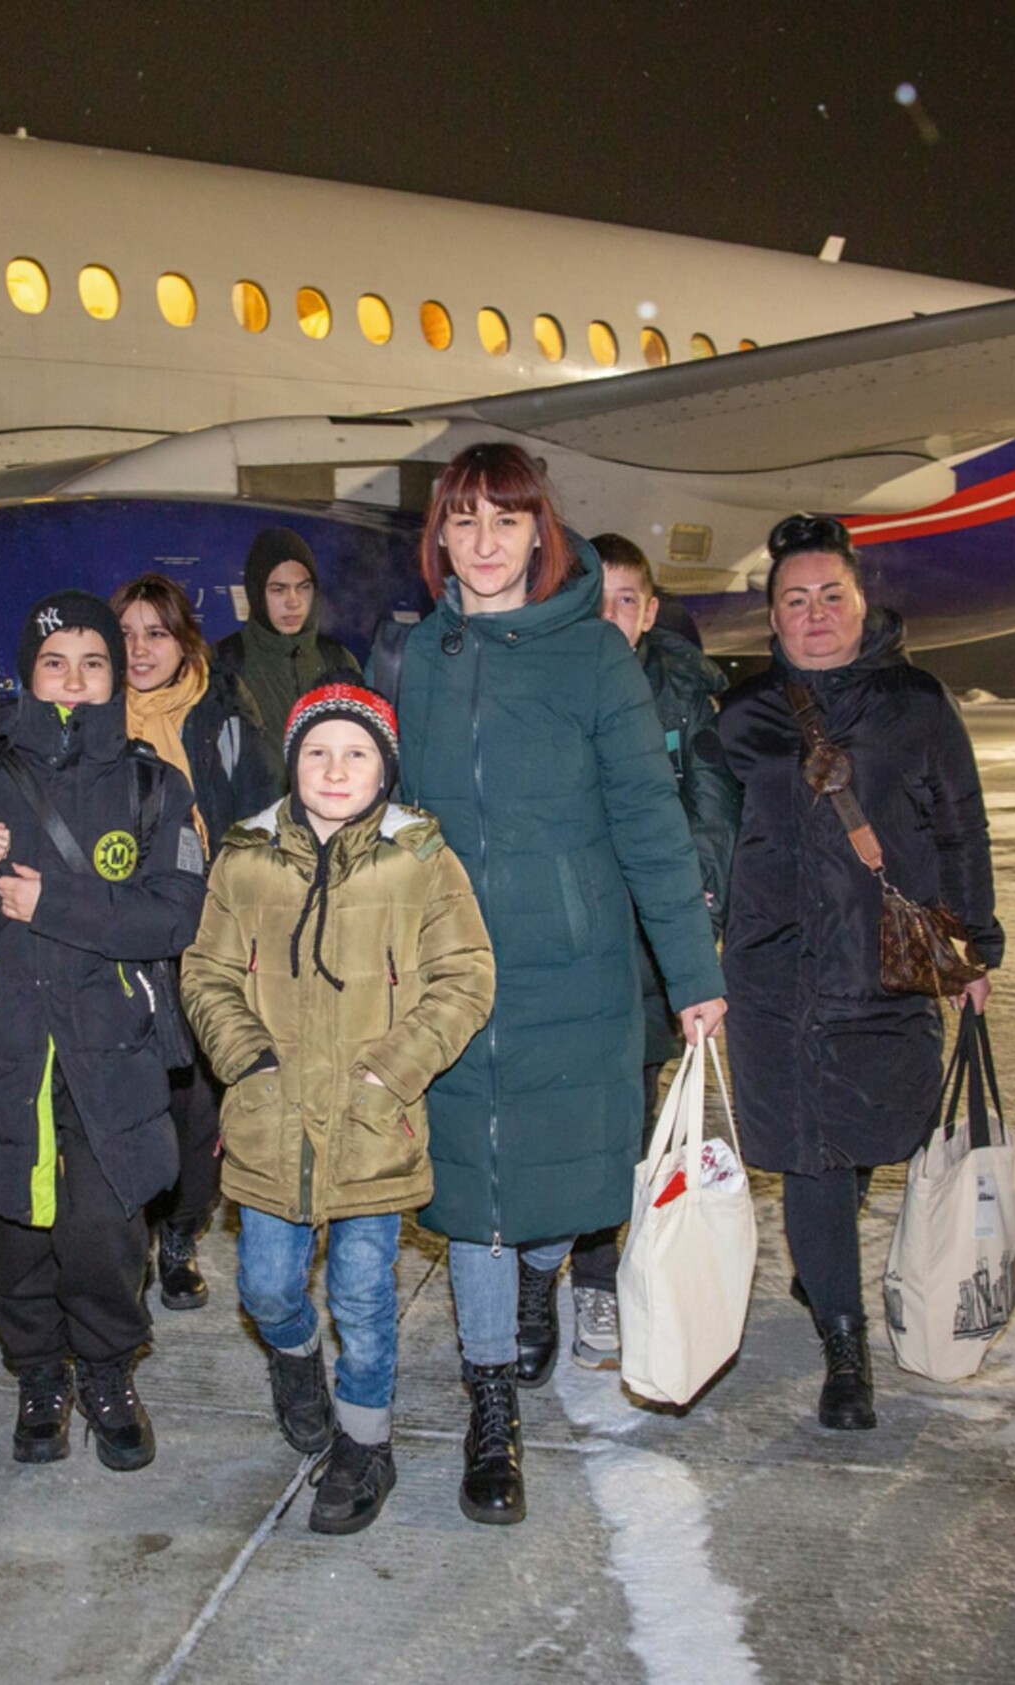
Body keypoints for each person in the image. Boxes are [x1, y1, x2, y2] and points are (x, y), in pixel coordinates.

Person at [388, 443, 726, 1524]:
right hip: (451, 972)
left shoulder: (594, 658)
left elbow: (650, 822)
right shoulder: (422, 655)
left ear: (542, 532)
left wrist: (693, 974)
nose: (484, 542)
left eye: (506, 519)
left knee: (546, 1199)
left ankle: (544, 1274)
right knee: (477, 1198)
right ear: (439, 536)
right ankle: (492, 1403)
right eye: (464, 520)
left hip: (570, 971)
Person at [0, 590, 206, 1470]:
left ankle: (107, 1372)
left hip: (110, 1052)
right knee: (19, 1234)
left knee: (104, 1233)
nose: (73, 679)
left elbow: (176, 915)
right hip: (6, 1049)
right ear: (27, 675)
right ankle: (37, 1375)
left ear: (115, 679)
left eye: (93, 663)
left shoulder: (154, 787)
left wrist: (53, 901)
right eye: (54, 662)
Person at [708, 514, 1001, 1432]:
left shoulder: (917, 704)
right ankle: (845, 1341)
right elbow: (707, 839)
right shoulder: (743, 718)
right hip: (776, 976)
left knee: (879, 1132)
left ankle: (821, 1255)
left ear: (863, 603)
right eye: (795, 600)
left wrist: (975, 946)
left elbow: (961, 826)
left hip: (887, 967)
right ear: (772, 619)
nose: (815, 613)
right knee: (813, 1156)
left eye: (831, 595)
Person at [182, 683, 495, 1534]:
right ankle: (293, 1355)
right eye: (317, 751)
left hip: (370, 1124)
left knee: (362, 1295)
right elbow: (206, 972)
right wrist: (247, 1061)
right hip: (270, 1119)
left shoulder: (420, 860)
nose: (334, 768)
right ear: (292, 763)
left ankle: (365, 1441)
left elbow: (466, 974)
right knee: (265, 1284)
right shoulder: (245, 858)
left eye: (356, 753)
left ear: (383, 770)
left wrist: (392, 1073)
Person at [566, 534, 739, 1370]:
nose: (611, 616)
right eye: (596, 599)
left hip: (644, 948)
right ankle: (539, 1272)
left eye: (626, 600)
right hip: (567, 943)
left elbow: (711, 815)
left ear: (651, 612)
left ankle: (600, 1273)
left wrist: (690, 921)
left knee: (631, 1115)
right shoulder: (548, 685)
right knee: (560, 1111)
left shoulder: (683, 697)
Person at [112, 573, 282, 1313]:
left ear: (185, 642)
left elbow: (263, 825)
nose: (139, 649)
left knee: (199, 1106)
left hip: (208, 938)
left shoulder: (225, 715)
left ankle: (181, 1232)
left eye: (156, 633)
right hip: (122, 940)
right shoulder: (93, 719)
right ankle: (134, 1236)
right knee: (131, 1098)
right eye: (126, 634)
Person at [209, 526, 362, 734]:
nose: (293, 602)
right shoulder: (222, 663)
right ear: (256, 594)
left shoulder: (338, 661)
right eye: (278, 590)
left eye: (303, 587)